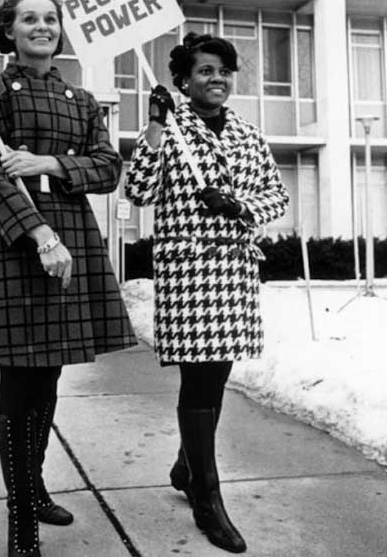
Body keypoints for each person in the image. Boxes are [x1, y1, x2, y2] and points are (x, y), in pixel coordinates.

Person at [0, 0, 137, 557]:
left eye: (51, 19)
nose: (42, 26)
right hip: (21, 244)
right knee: (20, 381)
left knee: (50, 374)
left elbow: (109, 167)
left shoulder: (82, 99)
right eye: (28, 19)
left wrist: (48, 163)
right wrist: (39, 235)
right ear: (7, 31)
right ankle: (21, 523)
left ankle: (34, 487)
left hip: (74, 241)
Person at [124, 32, 289, 554]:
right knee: (199, 383)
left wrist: (239, 206)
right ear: (182, 81)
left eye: (223, 71)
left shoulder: (247, 133)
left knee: (216, 378)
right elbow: (138, 190)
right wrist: (153, 125)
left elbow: (275, 195)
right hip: (190, 270)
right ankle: (206, 497)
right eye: (204, 72)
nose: (215, 79)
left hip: (233, 268)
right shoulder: (169, 131)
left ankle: (184, 464)